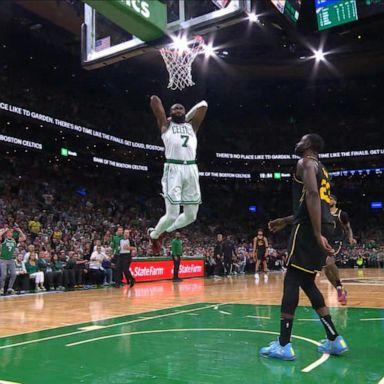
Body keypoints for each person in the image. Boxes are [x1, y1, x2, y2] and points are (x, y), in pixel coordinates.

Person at [261, 133, 348, 360]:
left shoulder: (306, 162)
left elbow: (310, 195)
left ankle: (283, 344)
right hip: (321, 225)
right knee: (308, 282)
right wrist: (287, 220)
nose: (297, 142)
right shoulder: (323, 169)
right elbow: (314, 203)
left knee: (291, 280)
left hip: (310, 229)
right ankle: (334, 339)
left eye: (301, 140)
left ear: (308, 145)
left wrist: (317, 233)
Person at [148, 96, 208, 254]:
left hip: (191, 169)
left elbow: (203, 105)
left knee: (191, 216)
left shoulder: (192, 126)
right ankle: (154, 235)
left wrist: (186, 117)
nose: (178, 110)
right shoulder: (165, 125)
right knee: (172, 214)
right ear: (170, 113)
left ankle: (165, 232)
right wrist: (171, 118)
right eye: (175, 109)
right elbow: (154, 100)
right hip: (173, 168)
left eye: (181, 108)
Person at [323, 195, 356, 305]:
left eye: (330, 199)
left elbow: (348, 228)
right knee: (326, 270)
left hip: (337, 242)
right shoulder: (324, 213)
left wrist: (350, 238)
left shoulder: (342, 214)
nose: (328, 200)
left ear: (335, 201)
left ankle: (338, 288)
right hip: (326, 242)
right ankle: (341, 290)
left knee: (329, 262)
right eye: (327, 199)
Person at [0, 225, 26, 295]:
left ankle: (9, 288)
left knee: (14, 274)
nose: (10, 233)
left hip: (11, 259)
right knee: (3, 275)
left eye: (11, 232)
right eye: (9, 232)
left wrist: (19, 230)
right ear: (6, 233)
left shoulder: (14, 240)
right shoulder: (3, 239)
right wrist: (4, 231)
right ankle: (1, 289)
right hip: (3, 259)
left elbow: (24, 238)